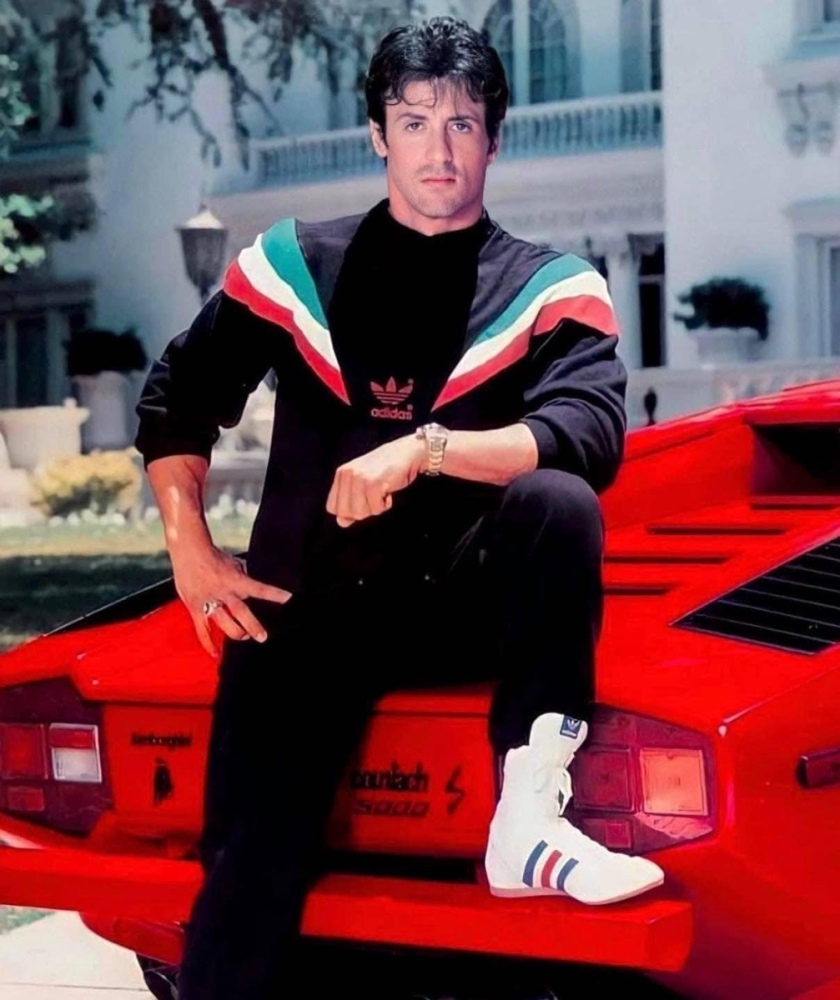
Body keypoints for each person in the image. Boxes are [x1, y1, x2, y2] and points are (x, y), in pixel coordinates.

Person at [135, 16, 664, 1000]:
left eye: (462, 124)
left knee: (557, 503)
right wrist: (190, 555)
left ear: (494, 138)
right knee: (245, 899)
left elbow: (589, 432)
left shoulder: (551, 285)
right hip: (305, 610)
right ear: (379, 133)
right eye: (415, 122)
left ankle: (529, 821)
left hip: (459, 608)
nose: (439, 149)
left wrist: (426, 449)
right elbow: (178, 398)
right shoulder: (294, 263)